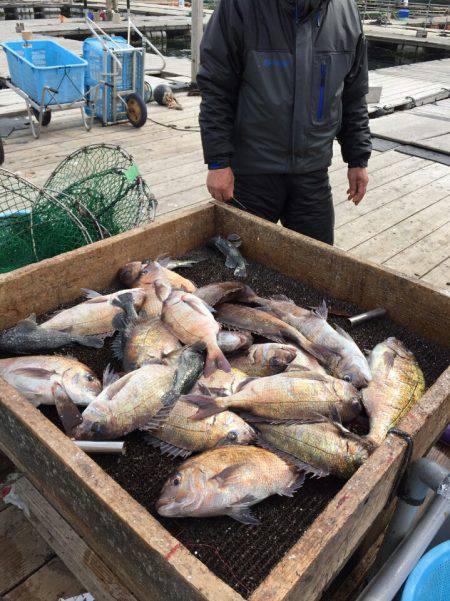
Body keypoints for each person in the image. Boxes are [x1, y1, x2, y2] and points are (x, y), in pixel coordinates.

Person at [197, 0, 371, 245]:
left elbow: (353, 96)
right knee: (237, 268)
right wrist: (217, 162)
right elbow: (217, 88)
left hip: (312, 174)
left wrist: (358, 159)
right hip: (250, 174)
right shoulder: (238, 6)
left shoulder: (348, 11)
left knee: (317, 267)